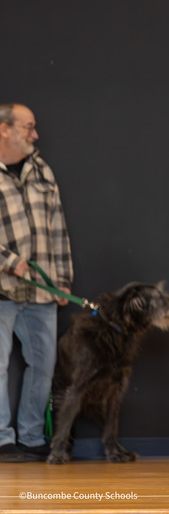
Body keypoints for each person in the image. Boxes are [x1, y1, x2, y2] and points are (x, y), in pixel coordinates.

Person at [0, 103, 73, 462]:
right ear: (5, 129)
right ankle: (2, 440)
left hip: (42, 290)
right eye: (28, 127)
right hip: (3, 289)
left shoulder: (41, 169)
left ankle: (30, 437)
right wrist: (9, 261)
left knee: (44, 364)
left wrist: (62, 281)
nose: (35, 134)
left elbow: (58, 227)